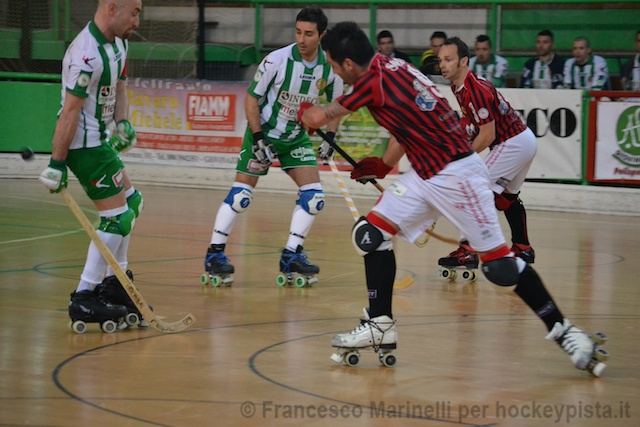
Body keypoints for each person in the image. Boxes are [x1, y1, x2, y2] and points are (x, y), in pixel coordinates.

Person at [298, 22, 604, 375]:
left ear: (349, 64)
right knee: (370, 235)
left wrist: (304, 111)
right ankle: (380, 325)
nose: (336, 73)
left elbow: (318, 115)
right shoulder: (393, 66)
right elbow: (403, 126)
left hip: (457, 175)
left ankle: (567, 332)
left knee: (500, 267)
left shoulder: (372, 82)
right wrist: (383, 164)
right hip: (425, 174)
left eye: (335, 67)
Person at [203, 6, 343, 285]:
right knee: (242, 196)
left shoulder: (331, 67)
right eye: (298, 32)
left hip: (295, 138)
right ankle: (214, 254)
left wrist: (331, 136)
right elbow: (252, 98)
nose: (301, 39)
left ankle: (291, 254)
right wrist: (258, 137)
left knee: (314, 198)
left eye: (309, 34)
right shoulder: (276, 60)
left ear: (322, 36)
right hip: (264, 132)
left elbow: (336, 105)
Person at [38, 0, 145, 330]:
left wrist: (122, 123)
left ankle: (115, 283)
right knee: (117, 219)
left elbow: (120, 89)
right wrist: (56, 163)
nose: (137, 22)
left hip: (101, 142)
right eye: (134, 13)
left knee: (133, 204)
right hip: (83, 146)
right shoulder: (86, 55)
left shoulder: (120, 43)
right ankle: (85, 296)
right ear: (112, 8)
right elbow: (70, 112)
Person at [438, 36, 537, 268]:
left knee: (473, 190)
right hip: (523, 140)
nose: (442, 65)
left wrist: (461, 159)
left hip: (512, 143)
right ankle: (523, 248)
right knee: (506, 198)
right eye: (440, 60)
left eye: (448, 59)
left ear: (463, 61)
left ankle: (467, 250)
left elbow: (487, 135)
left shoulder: (476, 90)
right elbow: (470, 121)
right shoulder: (459, 86)